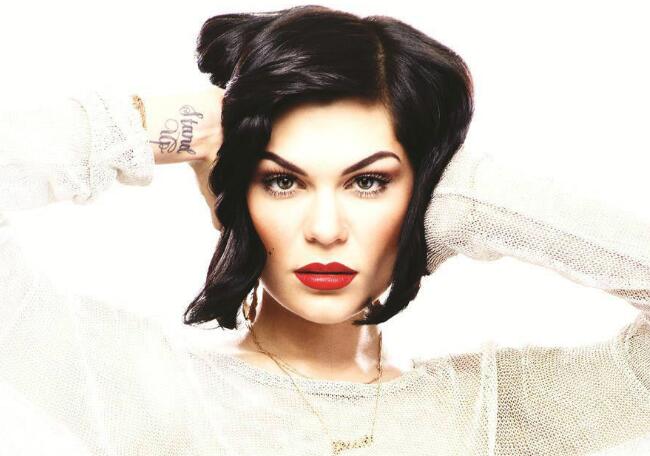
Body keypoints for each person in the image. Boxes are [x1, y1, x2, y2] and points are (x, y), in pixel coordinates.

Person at [1, 5, 649, 455]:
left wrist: (468, 199)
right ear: (235, 194)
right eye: (283, 181)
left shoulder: (500, 414)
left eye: (368, 182)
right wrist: (155, 126)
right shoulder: (132, 385)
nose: (326, 229)